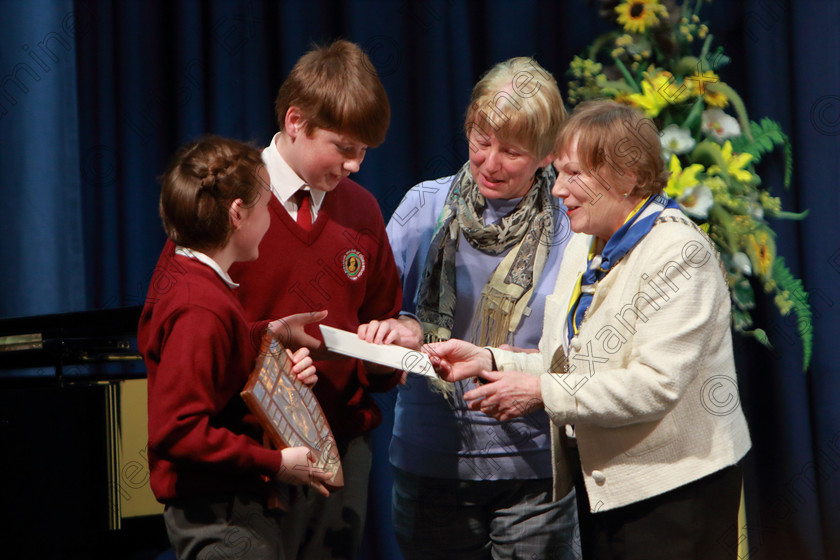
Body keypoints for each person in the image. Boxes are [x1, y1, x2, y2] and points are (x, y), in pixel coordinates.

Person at [427, 100, 752, 560]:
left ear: (629, 176)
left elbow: (654, 384)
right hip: (606, 489)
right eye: (558, 172)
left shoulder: (680, 254)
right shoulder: (585, 241)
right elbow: (579, 360)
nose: (558, 189)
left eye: (575, 174)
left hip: (676, 493)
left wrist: (540, 393)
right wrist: (492, 359)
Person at [359, 57, 579, 560]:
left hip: (536, 471)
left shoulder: (574, 225)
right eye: (481, 141)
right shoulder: (424, 206)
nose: (490, 162)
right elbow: (380, 310)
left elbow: (590, 345)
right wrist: (400, 329)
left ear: (547, 155)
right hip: (433, 460)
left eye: (512, 151)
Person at [227, 39, 412, 560]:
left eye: (365, 152)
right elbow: (185, 327)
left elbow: (381, 316)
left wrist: (395, 340)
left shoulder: (362, 210)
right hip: (247, 452)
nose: (355, 165)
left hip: (339, 452)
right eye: (343, 147)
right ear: (294, 121)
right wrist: (270, 350)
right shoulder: (229, 197)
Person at [138, 136, 333, 560]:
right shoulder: (199, 304)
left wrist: (269, 332)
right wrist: (275, 463)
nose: (270, 219)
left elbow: (209, 351)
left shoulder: (188, 276)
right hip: (220, 517)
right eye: (265, 207)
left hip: (224, 507)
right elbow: (178, 431)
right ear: (237, 214)